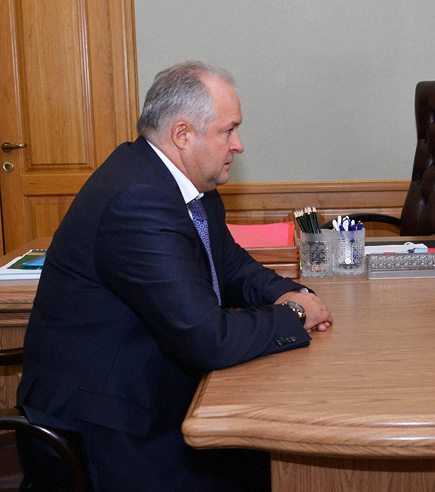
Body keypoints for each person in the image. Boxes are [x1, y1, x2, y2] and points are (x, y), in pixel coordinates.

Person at [17, 61, 333, 491]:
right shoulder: (137, 200)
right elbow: (208, 339)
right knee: (274, 464)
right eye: (228, 130)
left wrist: (293, 293)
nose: (238, 145)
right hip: (110, 423)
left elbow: (231, 265)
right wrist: (294, 315)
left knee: (271, 455)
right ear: (183, 134)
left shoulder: (187, 185)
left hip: (155, 389)